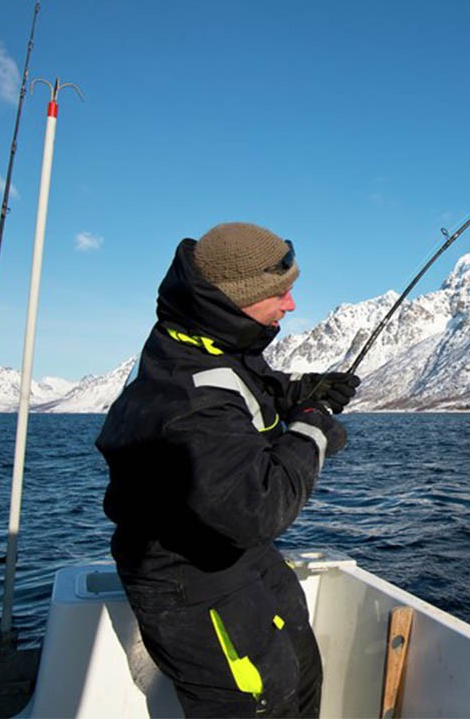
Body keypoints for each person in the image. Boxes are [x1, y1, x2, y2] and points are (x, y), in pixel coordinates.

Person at [96, 222, 360, 717]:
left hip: (234, 553)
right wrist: (314, 429)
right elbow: (259, 506)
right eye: (280, 293)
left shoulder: (203, 336)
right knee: (259, 700)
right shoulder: (186, 395)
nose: (291, 305)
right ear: (238, 297)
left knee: (298, 670)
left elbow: (242, 388)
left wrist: (304, 391)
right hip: (189, 575)